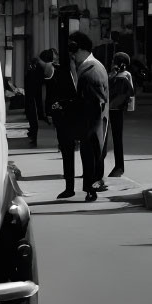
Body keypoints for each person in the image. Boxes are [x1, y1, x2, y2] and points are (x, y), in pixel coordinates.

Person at [68, 32, 110, 201]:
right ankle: (92, 187)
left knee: (91, 156)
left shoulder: (91, 70)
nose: (73, 56)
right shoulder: (92, 66)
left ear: (82, 50)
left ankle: (92, 189)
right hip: (94, 122)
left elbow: (94, 103)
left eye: (75, 52)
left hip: (92, 123)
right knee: (92, 156)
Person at [43, 47, 79, 199]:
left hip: (67, 115)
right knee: (67, 150)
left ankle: (73, 186)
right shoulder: (68, 71)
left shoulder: (63, 71)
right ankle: (72, 186)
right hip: (66, 115)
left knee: (68, 150)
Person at [107, 52, 134, 178]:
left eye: (114, 60)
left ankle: (119, 167)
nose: (111, 62)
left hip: (115, 109)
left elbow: (128, 94)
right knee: (116, 138)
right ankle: (119, 166)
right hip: (114, 109)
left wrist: (113, 75)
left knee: (116, 138)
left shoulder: (123, 75)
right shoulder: (122, 75)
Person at [24, 51, 52, 148]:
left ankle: (34, 136)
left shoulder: (34, 68)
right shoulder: (40, 69)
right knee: (36, 118)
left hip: (32, 98)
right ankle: (35, 137)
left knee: (34, 118)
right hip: (36, 98)